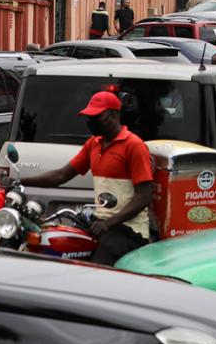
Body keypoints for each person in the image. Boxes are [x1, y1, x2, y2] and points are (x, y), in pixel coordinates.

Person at [16, 89, 153, 266]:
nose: (91, 122)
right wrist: (20, 181)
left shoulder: (133, 146)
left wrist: (109, 223)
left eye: (97, 118)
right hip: (101, 224)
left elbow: (144, 196)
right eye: (90, 118)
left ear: (113, 115)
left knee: (95, 271)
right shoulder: (93, 144)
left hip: (129, 230)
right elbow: (61, 175)